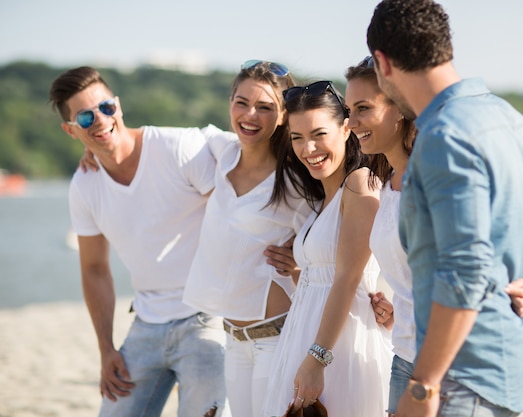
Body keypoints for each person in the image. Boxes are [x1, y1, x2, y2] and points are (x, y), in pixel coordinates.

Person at [366, 1, 523, 416]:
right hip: (511, 365)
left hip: (462, 379)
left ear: (383, 63)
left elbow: (464, 271)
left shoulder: (444, 136)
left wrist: (423, 386)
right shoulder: (508, 118)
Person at [48, 67, 227, 417]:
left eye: (105, 108)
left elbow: (236, 216)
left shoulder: (178, 148)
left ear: (118, 104)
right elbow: (95, 269)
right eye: (85, 117)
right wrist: (106, 349)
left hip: (208, 318)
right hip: (146, 323)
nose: (100, 120)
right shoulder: (84, 186)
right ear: (70, 130)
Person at [182, 61, 313, 417]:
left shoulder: (297, 181)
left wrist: (301, 261)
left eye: (265, 107)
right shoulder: (221, 152)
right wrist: (96, 150)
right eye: (241, 102)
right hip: (232, 339)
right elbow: (156, 144)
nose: (249, 114)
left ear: (284, 115)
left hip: (276, 337)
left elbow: (336, 235)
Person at [261, 80, 393, 417]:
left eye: (319, 134)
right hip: (307, 334)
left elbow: (349, 278)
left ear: (346, 128)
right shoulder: (324, 198)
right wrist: (296, 273)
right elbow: (327, 276)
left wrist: (317, 359)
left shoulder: (360, 183)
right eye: (298, 138)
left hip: (340, 346)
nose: (308, 149)